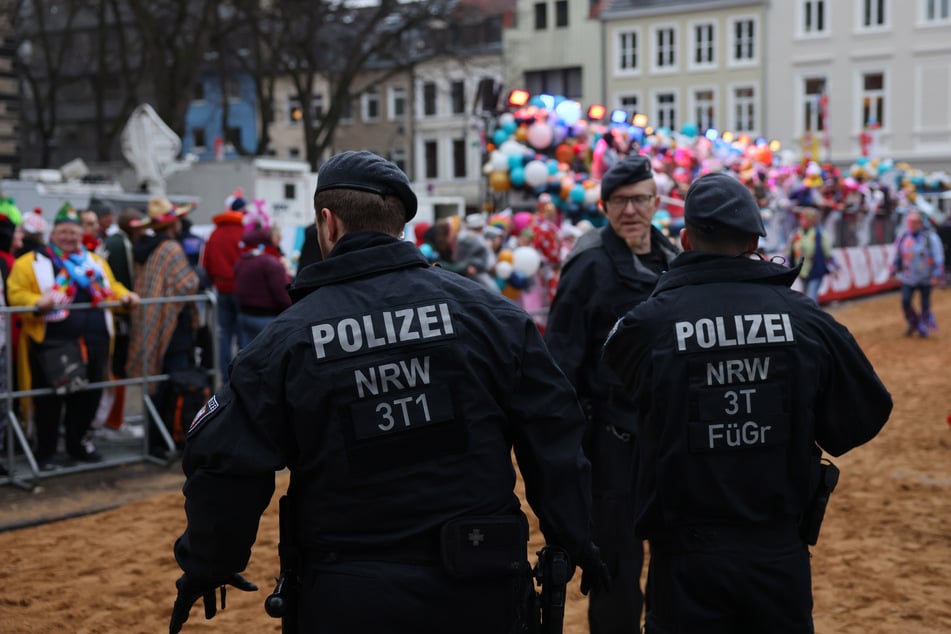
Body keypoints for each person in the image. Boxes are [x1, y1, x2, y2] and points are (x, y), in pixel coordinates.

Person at [168, 150, 609, 633]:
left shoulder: (285, 342)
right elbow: (554, 432)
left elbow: (226, 460)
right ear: (400, 224)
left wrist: (209, 561)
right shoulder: (488, 316)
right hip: (481, 583)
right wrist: (576, 535)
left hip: (351, 592)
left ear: (327, 223)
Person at [602, 172, 893, 634]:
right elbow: (863, 413)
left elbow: (619, 379)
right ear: (757, 239)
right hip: (776, 550)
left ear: (684, 239)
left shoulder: (649, 323)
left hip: (687, 558)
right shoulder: (804, 318)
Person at [544, 153, 678, 634]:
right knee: (617, 567)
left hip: (668, 441)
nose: (630, 210)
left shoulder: (676, 261)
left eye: (640, 199)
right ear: (604, 206)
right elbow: (560, 359)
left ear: (656, 202)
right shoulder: (588, 264)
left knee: (676, 559)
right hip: (611, 442)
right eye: (620, 200)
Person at [7, 205, 139, 470]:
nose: (69, 237)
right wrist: (37, 300)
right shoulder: (30, 262)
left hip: (96, 343)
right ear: (52, 233)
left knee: (88, 397)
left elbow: (111, 287)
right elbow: (16, 294)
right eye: (64, 232)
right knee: (49, 401)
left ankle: (78, 446)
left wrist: (125, 295)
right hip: (53, 345)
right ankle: (45, 453)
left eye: (74, 232)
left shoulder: (95, 262)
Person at [126, 197, 201, 457]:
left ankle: (155, 441)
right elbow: (186, 283)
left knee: (155, 382)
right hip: (173, 328)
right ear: (173, 223)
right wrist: (199, 276)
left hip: (152, 322)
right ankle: (169, 438)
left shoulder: (143, 246)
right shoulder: (170, 247)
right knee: (172, 383)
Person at [99, 207, 147, 433]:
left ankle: (112, 418)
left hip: (113, 314)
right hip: (119, 315)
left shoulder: (114, 241)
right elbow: (121, 280)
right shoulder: (121, 245)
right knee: (118, 366)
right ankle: (113, 419)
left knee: (115, 366)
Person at [200, 190, 246, 382]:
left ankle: (225, 377)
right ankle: (243, 374)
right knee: (242, 334)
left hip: (221, 289)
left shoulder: (215, 233)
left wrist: (214, 281)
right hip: (241, 291)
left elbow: (206, 262)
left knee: (223, 334)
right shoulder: (244, 231)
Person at [233, 209, 291, 347]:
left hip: (245, 314)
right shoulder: (270, 262)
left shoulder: (244, 258)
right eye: (278, 235)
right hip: (265, 317)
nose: (280, 238)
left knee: (247, 359)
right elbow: (281, 295)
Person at [890, 209, 945, 337]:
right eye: (909, 222)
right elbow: (898, 255)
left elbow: (938, 257)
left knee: (925, 304)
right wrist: (894, 269)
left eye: (914, 222)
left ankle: (924, 326)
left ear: (921, 223)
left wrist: (937, 275)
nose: (911, 224)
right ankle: (913, 322)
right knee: (906, 301)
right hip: (908, 277)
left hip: (926, 277)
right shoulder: (903, 236)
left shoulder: (930, 238)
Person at [787, 206, 836, 303]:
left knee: (811, 298)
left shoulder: (820, 234)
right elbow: (789, 252)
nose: (801, 221)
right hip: (801, 271)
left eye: (804, 218)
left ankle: (812, 317)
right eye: (801, 218)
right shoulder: (796, 233)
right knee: (805, 297)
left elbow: (828, 252)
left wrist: (834, 267)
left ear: (811, 220)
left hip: (816, 270)